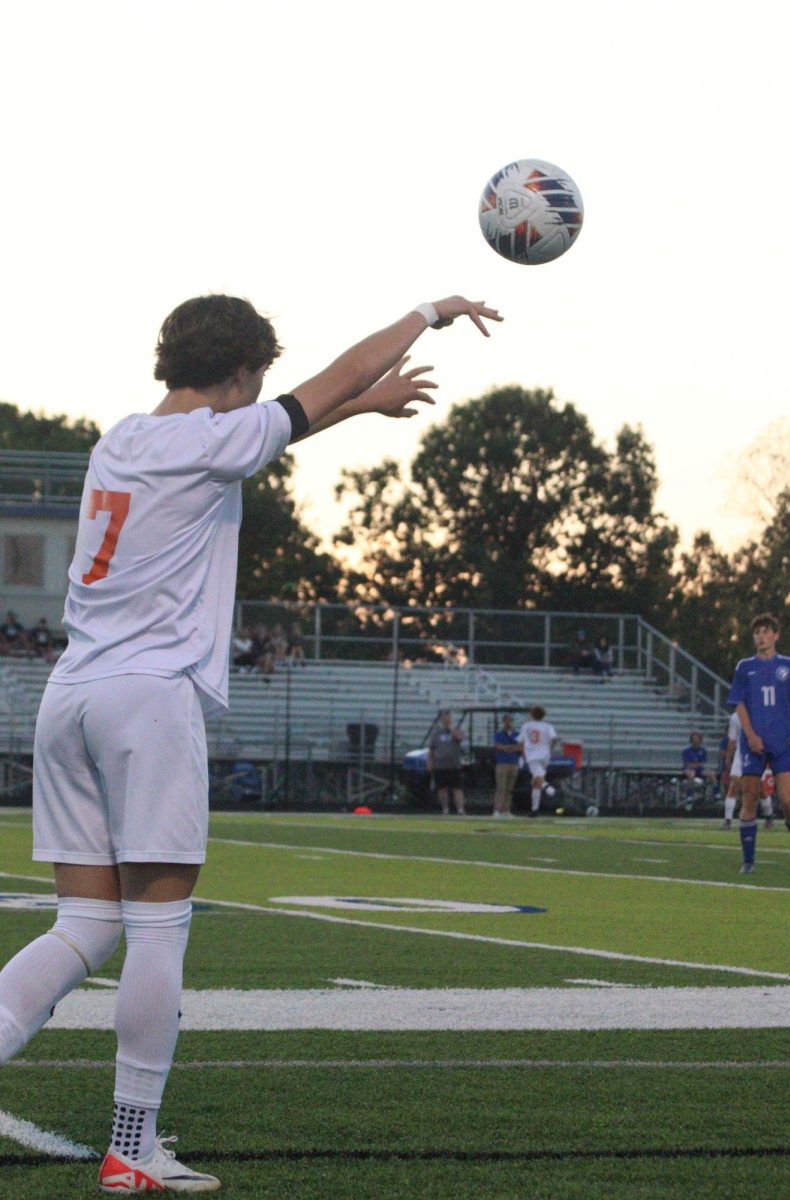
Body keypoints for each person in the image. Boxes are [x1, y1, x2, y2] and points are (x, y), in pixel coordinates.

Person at [0, 291, 501, 1194]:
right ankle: (131, 1145)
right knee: (157, 926)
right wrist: (426, 313)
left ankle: (125, 1139)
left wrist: (358, 407)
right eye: (258, 379)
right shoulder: (212, 439)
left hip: (70, 694)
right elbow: (327, 382)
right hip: (146, 703)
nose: (264, 393)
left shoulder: (123, 439)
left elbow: (290, 419)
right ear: (237, 373)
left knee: (83, 924)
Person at [727, 612, 790, 874]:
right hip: (754, 744)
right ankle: (748, 862)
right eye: (757, 632)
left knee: (786, 799)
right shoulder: (744, 667)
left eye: (766, 631)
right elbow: (739, 703)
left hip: (783, 742)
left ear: (776, 635)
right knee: (749, 797)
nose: (761, 636)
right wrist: (751, 735)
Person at [519, 705, 559, 816]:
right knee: (536, 781)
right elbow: (554, 739)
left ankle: (549, 789)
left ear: (532, 714)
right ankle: (534, 810)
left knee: (539, 779)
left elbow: (520, 741)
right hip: (545, 755)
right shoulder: (548, 726)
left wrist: (523, 753)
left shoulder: (526, 726)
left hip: (533, 756)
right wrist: (550, 749)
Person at [427, 709, 466, 815]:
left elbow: (459, 738)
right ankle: (445, 809)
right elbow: (431, 749)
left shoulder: (457, 729)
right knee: (442, 789)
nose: (446, 719)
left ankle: (460, 810)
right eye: (444, 717)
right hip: (440, 765)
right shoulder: (436, 732)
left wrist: (451, 728)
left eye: (448, 717)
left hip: (454, 765)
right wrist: (430, 763)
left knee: (457, 788)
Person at [492, 713, 522, 818]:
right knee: (501, 787)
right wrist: (511, 747)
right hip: (502, 763)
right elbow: (498, 747)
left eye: (510, 720)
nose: (509, 723)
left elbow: (521, 747)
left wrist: (508, 748)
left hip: (513, 763)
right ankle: (497, 809)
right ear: (503, 721)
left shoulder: (517, 734)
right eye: (507, 720)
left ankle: (506, 809)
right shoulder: (499, 734)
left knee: (510, 788)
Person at [681, 731, 716, 799]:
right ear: (691, 740)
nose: (695, 740)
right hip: (689, 768)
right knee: (691, 775)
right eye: (694, 738)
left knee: (712, 774)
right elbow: (687, 763)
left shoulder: (703, 750)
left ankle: (716, 793)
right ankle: (689, 795)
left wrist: (697, 765)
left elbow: (703, 762)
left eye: (697, 738)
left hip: (699, 768)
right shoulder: (686, 751)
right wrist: (693, 765)